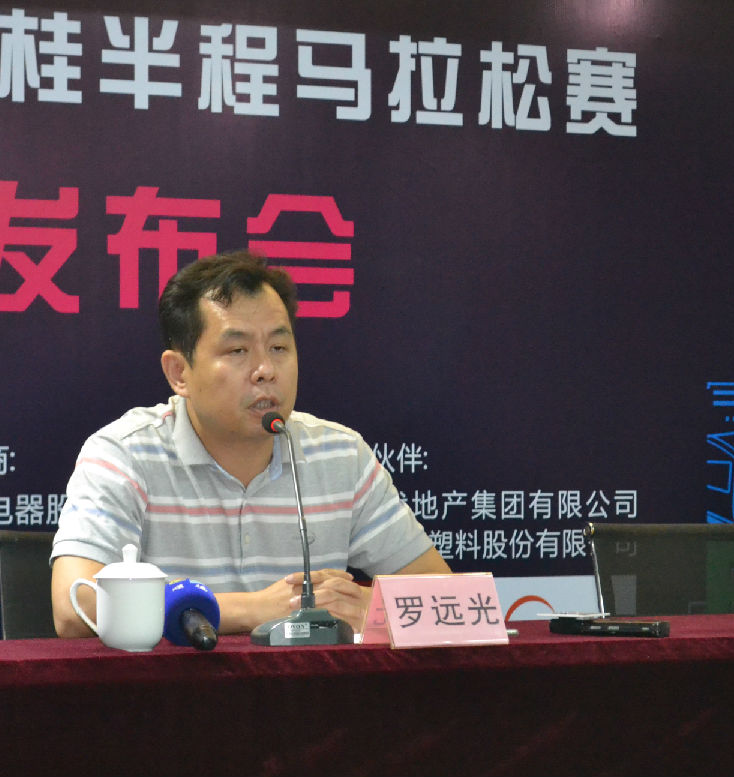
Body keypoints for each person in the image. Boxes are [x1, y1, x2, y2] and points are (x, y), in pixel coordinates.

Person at [50, 250, 452, 637]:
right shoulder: (125, 454)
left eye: (279, 348)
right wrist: (253, 609)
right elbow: (75, 608)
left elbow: (447, 598)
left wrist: (372, 609)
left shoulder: (341, 457)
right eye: (238, 350)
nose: (265, 370)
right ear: (179, 373)